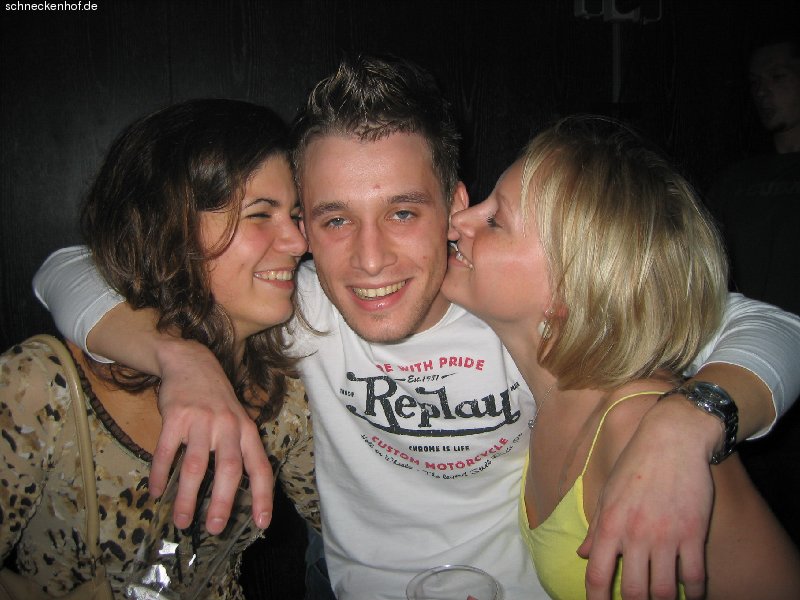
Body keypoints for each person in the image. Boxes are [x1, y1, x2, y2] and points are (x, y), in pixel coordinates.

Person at [33, 57, 800, 600]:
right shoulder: (301, 306)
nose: (369, 261)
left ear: (456, 208)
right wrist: (181, 359)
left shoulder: (522, 301)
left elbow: (771, 325)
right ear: (305, 227)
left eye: (403, 212)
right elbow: (70, 267)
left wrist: (689, 422)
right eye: (335, 220)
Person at [444, 114, 800, 599]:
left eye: (495, 221)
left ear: (570, 288)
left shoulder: (641, 425)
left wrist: (687, 424)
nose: (459, 219)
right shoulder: (555, 391)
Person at [2, 99, 319, 598]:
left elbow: (350, 522)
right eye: (261, 213)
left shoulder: (284, 397)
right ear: (164, 228)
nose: (299, 243)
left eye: (296, 216)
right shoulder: (41, 389)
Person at [707, 30, 800, 545]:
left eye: (778, 77)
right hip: (738, 366)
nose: (763, 91)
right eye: (756, 82)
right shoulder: (737, 179)